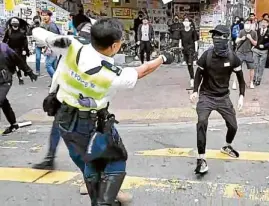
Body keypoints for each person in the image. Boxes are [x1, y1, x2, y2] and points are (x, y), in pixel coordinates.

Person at [32, 18, 173, 205]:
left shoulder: (72, 46)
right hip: (89, 123)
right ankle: (102, 202)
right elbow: (143, 70)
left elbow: (37, 32)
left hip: (63, 118)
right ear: (114, 46)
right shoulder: (112, 74)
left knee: (87, 159)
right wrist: (163, 58)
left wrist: (59, 40)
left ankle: (98, 195)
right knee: (116, 159)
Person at [190, 25, 245, 174]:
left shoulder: (233, 58)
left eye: (220, 36)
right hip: (206, 96)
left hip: (223, 97)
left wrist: (241, 96)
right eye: (214, 36)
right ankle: (201, 159)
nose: (217, 39)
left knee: (233, 126)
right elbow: (198, 74)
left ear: (226, 38)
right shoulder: (206, 56)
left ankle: (227, 146)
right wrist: (195, 91)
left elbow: (241, 79)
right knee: (201, 122)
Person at [0, 43, 37, 135]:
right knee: (3, 101)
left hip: (5, 79)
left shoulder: (4, 48)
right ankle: (14, 124)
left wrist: (29, 72)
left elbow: (18, 61)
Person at [3, 17, 30, 85]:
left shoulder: (22, 32)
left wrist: (24, 50)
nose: (15, 28)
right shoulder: (8, 31)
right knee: (16, 65)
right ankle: (20, 78)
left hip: (20, 50)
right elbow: (5, 40)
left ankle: (26, 71)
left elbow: (25, 42)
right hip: (12, 50)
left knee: (23, 63)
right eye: (13, 26)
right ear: (12, 26)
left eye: (16, 26)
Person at [232, 19, 257, 89]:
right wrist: (241, 39)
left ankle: (251, 82)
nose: (247, 25)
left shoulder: (254, 33)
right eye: (246, 23)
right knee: (237, 67)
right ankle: (234, 82)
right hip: (240, 52)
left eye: (249, 23)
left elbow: (255, 43)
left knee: (252, 67)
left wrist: (250, 38)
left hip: (249, 52)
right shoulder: (241, 31)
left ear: (251, 24)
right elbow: (236, 41)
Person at [179, 17, 198, 88]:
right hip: (185, 49)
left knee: (190, 64)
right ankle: (192, 77)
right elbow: (180, 39)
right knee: (188, 66)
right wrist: (180, 47)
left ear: (190, 22)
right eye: (184, 21)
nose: (186, 22)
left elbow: (195, 41)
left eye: (187, 21)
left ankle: (192, 80)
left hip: (191, 49)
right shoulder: (181, 31)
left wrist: (196, 51)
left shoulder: (193, 31)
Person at [41, 10, 60, 78]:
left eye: (46, 15)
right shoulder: (46, 24)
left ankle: (56, 80)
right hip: (53, 47)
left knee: (48, 64)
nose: (44, 17)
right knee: (54, 65)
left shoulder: (52, 26)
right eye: (43, 15)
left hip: (53, 47)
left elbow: (55, 38)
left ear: (50, 16)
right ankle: (55, 82)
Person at [253, 18, 269, 86]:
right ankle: (254, 78)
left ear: (268, 24)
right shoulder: (257, 31)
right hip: (256, 50)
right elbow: (254, 39)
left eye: (265, 22)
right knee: (255, 64)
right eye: (262, 22)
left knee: (261, 66)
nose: (263, 24)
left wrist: (265, 45)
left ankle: (259, 79)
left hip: (264, 51)